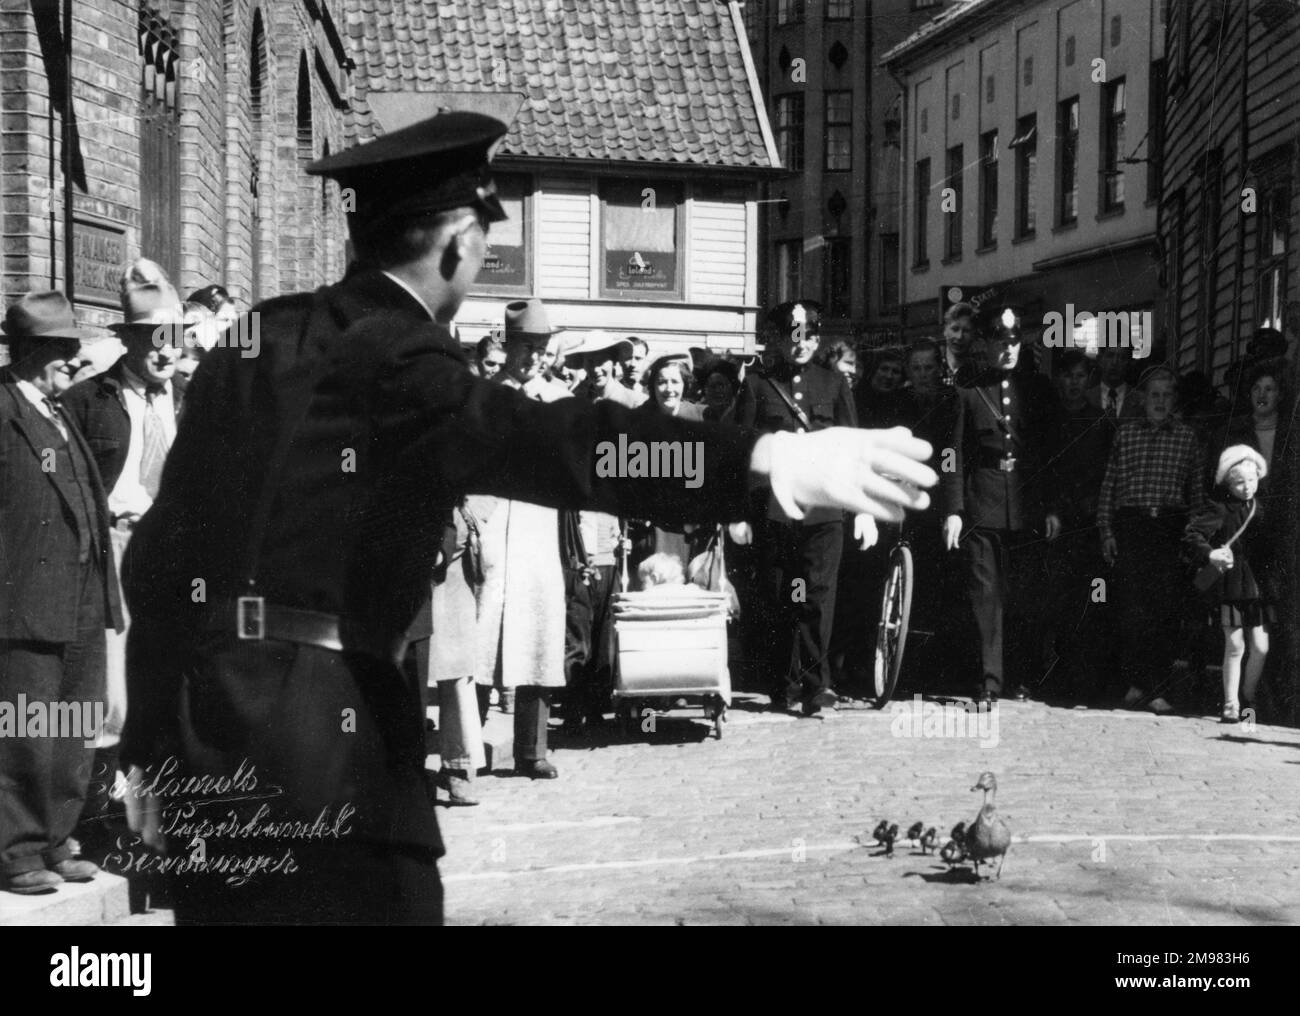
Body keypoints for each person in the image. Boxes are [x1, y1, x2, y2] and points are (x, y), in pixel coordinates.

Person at [118, 109, 937, 925]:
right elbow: (557, 444)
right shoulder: (407, 355)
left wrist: (153, 752)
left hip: (210, 733)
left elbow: (155, 562)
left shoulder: (251, 341)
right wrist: (763, 464)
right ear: (459, 246)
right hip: (331, 747)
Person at [0, 290, 122, 895]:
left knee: (74, 719)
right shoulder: (3, 408)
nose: (74, 361)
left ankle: (58, 838)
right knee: (25, 726)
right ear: (27, 351)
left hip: (82, 592)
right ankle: (18, 850)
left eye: (75, 350)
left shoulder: (56, 410)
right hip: (23, 596)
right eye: (62, 350)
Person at [60, 260, 188, 812]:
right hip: (114, 548)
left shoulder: (189, 400)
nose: (165, 353)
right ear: (127, 342)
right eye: (154, 342)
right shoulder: (89, 401)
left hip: (175, 552)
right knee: (112, 685)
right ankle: (98, 810)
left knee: (167, 675)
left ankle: (156, 811)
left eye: (174, 342)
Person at [733, 300, 874, 715]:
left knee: (817, 597)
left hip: (824, 510)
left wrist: (862, 507)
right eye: (794, 337)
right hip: (776, 510)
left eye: (810, 336)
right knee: (781, 597)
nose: (802, 345)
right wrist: (738, 512)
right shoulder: (758, 385)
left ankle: (817, 685)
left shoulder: (834, 384)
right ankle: (782, 679)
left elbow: (853, 449)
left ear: (817, 338)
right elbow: (744, 451)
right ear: (779, 340)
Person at [940, 305, 1063, 704]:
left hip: (1026, 504)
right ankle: (988, 682)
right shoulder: (968, 390)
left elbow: (1049, 454)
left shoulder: (1038, 389)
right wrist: (955, 510)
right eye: (1000, 342)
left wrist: (1050, 507)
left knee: (1022, 597)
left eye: (1014, 341)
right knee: (984, 598)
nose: (1009, 349)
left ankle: (1020, 677)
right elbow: (953, 453)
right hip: (982, 503)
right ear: (987, 344)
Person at [1097, 365, 1202, 714]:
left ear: (1174, 400)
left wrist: (1194, 538)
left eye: (1166, 395)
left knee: (1163, 612)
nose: (1160, 401)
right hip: (1132, 526)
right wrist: (1107, 530)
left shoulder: (1187, 437)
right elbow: (1109, 485)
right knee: (1130, 610)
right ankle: (1132, 685)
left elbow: (1197, 493)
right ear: (1143, 399)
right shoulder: (1126, 434)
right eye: (1154, 395)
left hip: (1168, 529)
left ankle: (1156, 687)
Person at [1185, 447, 1276, 724]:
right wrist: (1210, 553)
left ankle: (1248, 694)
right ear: (1228, 483)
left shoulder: (1262, 508)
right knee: (1235, 644)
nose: (1247, 487)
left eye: (1252, 480)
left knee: (1260, 646)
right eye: (1239, 482)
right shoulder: (1221, 508)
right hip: (1232, 583)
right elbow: (1193, 533)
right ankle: (1231, 703)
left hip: (1258, 584)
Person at [1089, 345, 1144, 426]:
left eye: (1122, 358)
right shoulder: (1087, 397)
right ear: (1100, 360)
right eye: (1110, 356)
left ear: (1128, 362)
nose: (1115, 362)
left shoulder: (1140, 400)